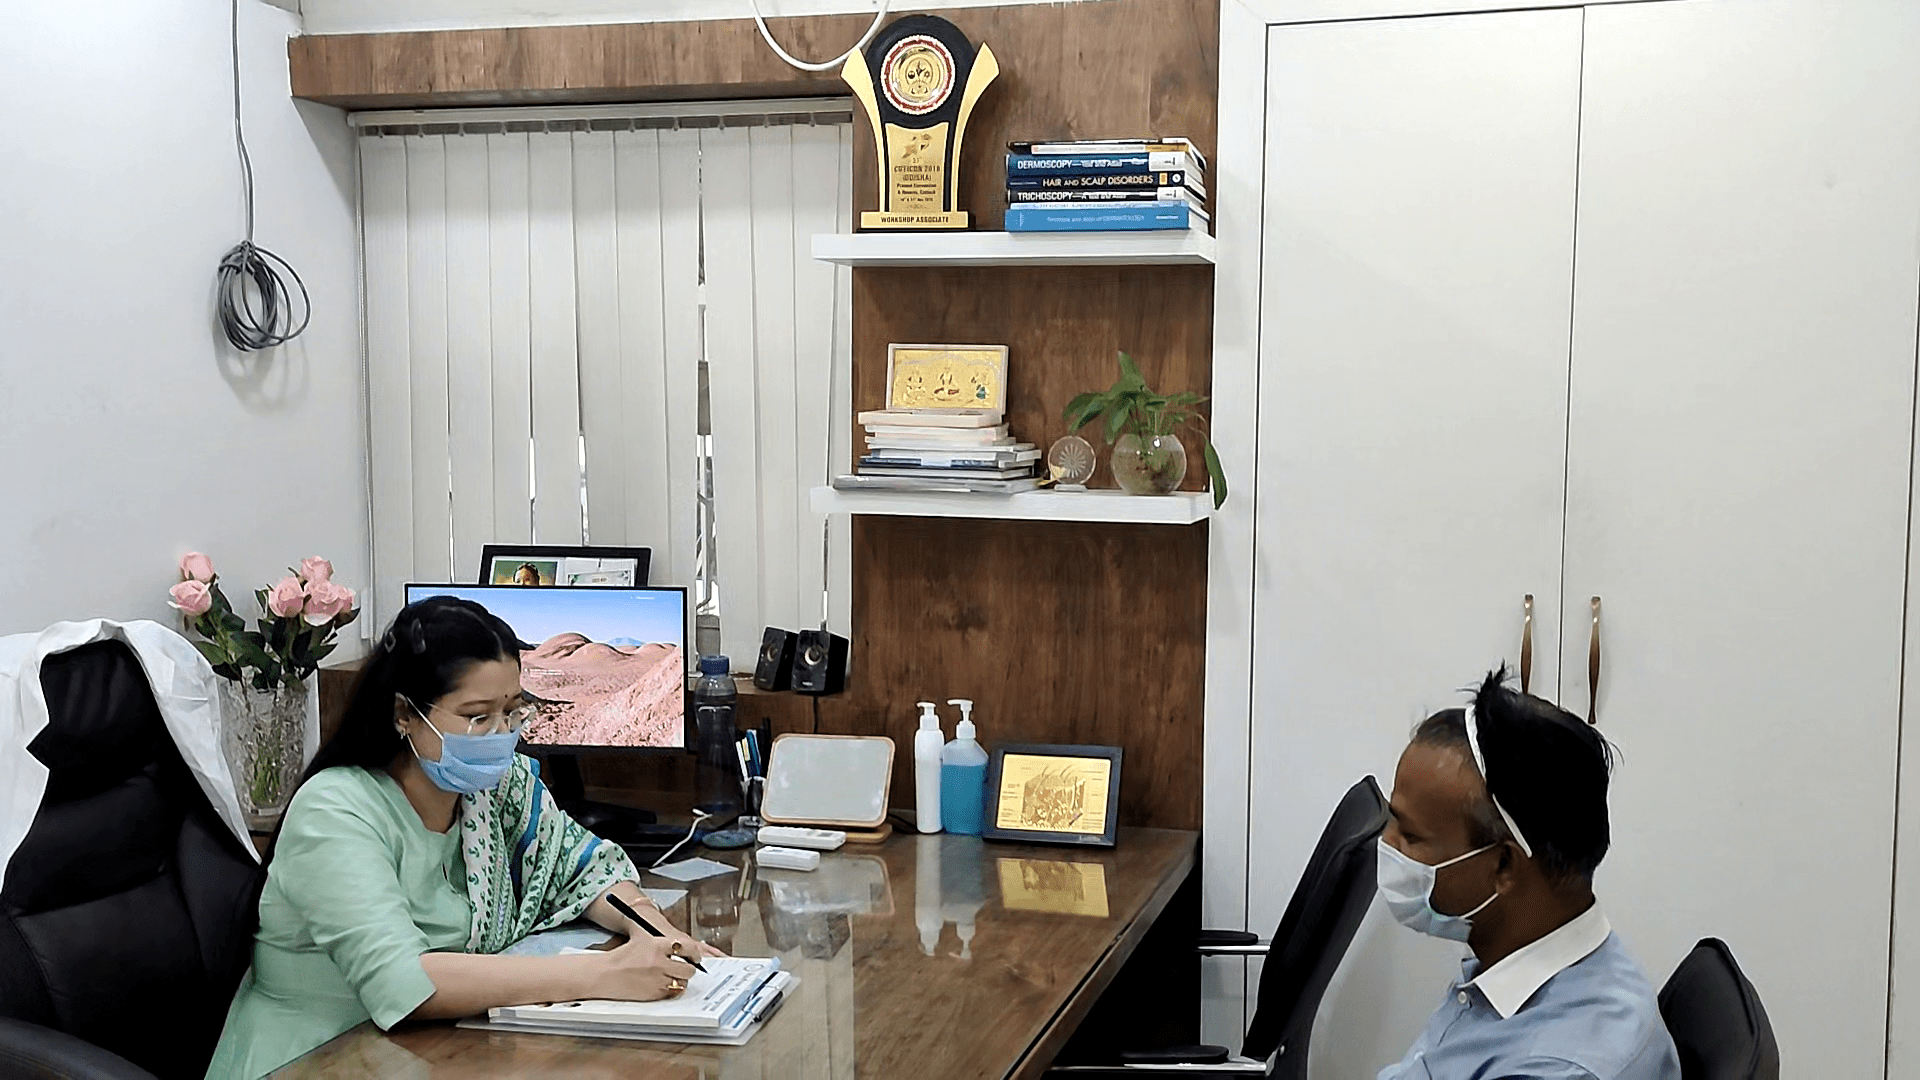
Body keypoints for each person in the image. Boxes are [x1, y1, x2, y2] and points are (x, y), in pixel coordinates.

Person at [205, 596, 720, 1079]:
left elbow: (585, 869)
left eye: (513, 711)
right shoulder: (335, 810)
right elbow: (403, 983)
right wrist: (604, 974)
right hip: (320, 1055)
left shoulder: (499, 787)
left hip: (439, 1047)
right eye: (477, 717)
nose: (502, 734)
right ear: (404, 714)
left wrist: (654, 933)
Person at [1375, 668, 1680, 1080]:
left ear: (1503, 866)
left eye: (1409, 835)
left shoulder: (1558, 1068)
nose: (1387, 842)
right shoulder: (1513, 960)